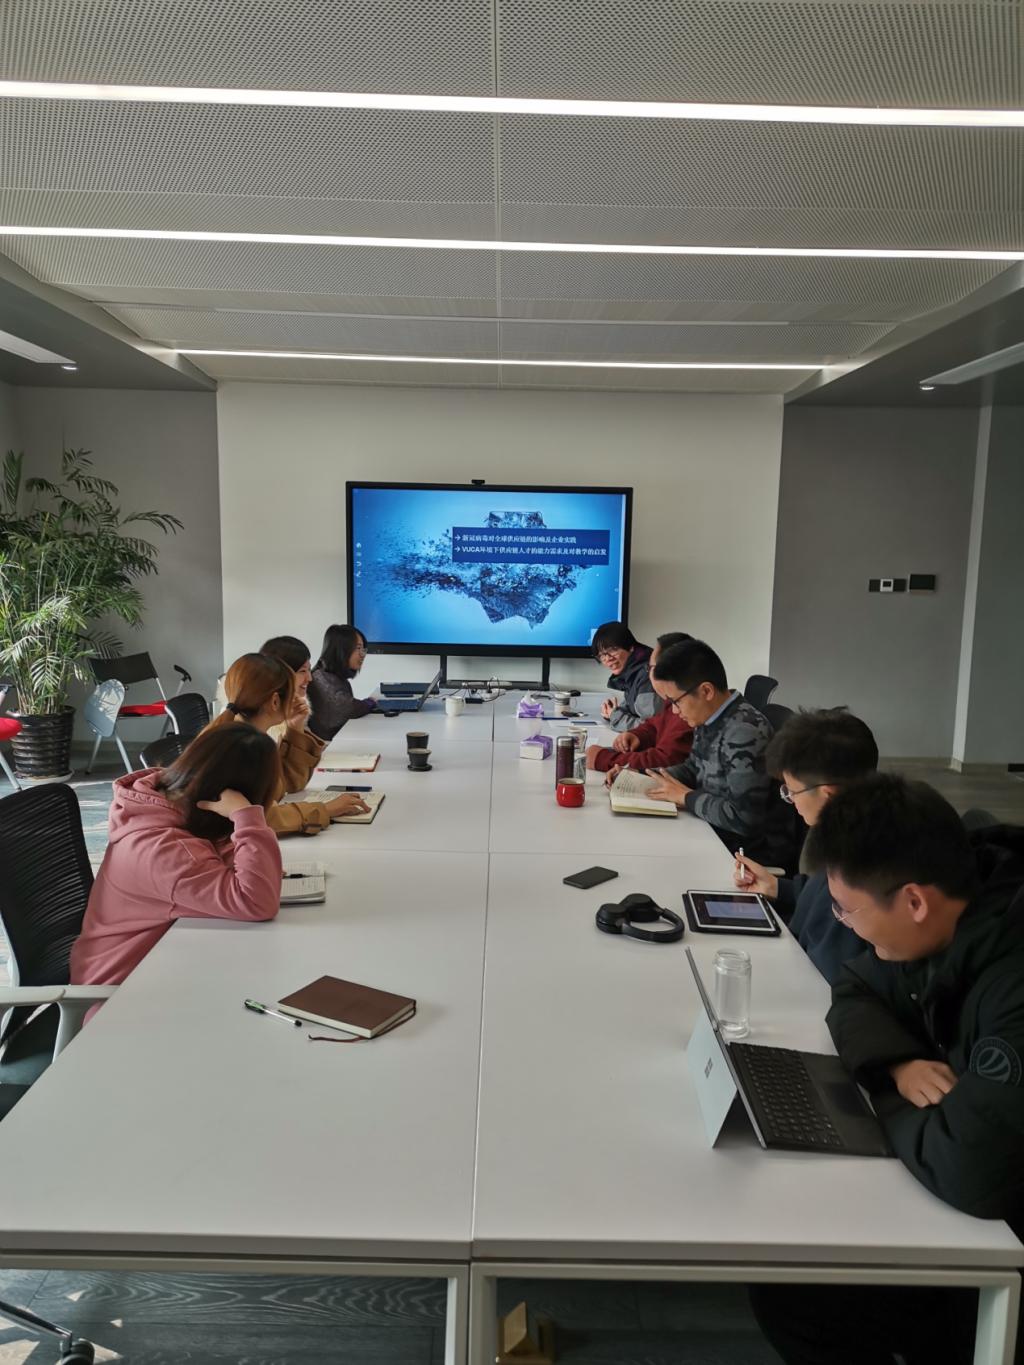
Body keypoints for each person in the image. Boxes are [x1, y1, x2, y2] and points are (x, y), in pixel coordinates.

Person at [751, 775, 1024, 1365]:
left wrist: (874, 1087)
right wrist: (898, 1065)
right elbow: (854, 989)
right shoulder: (946, 917)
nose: (843, 925)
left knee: (798, 1298)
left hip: (1006, 1244)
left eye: (847, 910)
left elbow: (971, 1168)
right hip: (969, 1186)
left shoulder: (1012, 982)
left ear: (914, 901)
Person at [70, 725, 284, 1002]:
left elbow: (228, 861)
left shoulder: (166, 804)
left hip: (161, 966)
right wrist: (246, 816)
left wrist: (247, 848)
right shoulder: (166, 851)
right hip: (118, 998)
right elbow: (256, 902)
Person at [733, 708, 879, 982]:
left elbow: (826, 968)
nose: (791, 801)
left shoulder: (857, 865)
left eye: (791, 791)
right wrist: (778, 888)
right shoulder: (851, 830)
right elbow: (820, 895)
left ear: (828, 794)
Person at [645, 639, 792, 867]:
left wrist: (686, 798)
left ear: (706, 691)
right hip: (711, 831)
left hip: (744, 855)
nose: (674, 711)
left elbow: (745, 819)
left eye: (676, 702)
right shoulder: (711, 716)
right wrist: (640, 777)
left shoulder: (744, 732)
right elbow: (693, 768)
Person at [216, 652, 368, 834]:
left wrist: (295, 729)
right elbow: (262, 818)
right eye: (290, 692)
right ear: (275, 701)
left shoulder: (246, 736)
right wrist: (325, 810)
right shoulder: (242, 748)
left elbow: (289, 785)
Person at [586, 632, 695, 774]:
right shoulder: (675, 698)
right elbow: (655, 724)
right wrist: (639, 735)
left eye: (650, 668)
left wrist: (604, 759)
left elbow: (666, 759)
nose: (607, 659)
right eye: (601, 655)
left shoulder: (687, 707)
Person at [308, 625, 377, 742]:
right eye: (358, 648)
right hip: (326, 745)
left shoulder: (332, 675)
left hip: (339, 739)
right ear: (340, 649)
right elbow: (348, 708)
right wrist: (370, 702)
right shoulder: (319, 677)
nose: (362, 654)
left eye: (363, 649)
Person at [590, 621, 660, 732]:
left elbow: (650, 728)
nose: (607, 659)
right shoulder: (632, 672)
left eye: (613, 650)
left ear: (630, 647)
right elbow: (632, 710)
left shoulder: (647, 674)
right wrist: (612, 713)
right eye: (602, 655)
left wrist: (615, 716)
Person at [259, 634, 313, 742]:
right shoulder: (258, 715)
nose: (310, 678)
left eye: (309, 670)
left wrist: (295, 726)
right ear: (280, 673)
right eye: (302, 671)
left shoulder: (297, 704)